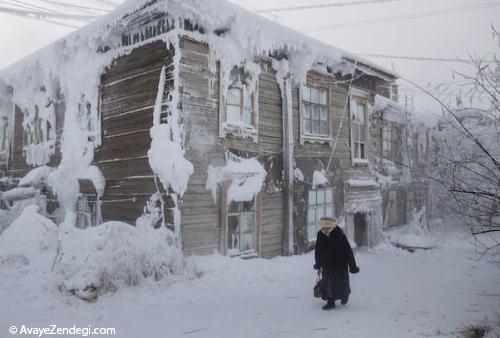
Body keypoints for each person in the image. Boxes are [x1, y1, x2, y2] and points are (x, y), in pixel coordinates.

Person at [314, 217, 360, 310]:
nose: (325, 231)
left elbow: (348, 251)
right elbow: (318, 250)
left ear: (332, 227)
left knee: (342, 282)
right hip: (327, 264)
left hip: (340, 263)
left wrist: (352, 266)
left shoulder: (340, 234)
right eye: (323, 229)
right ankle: (331, 302)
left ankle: (345, 295)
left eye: (328, 228)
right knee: (328, 283)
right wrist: (318, 263)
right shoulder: (320, 235)